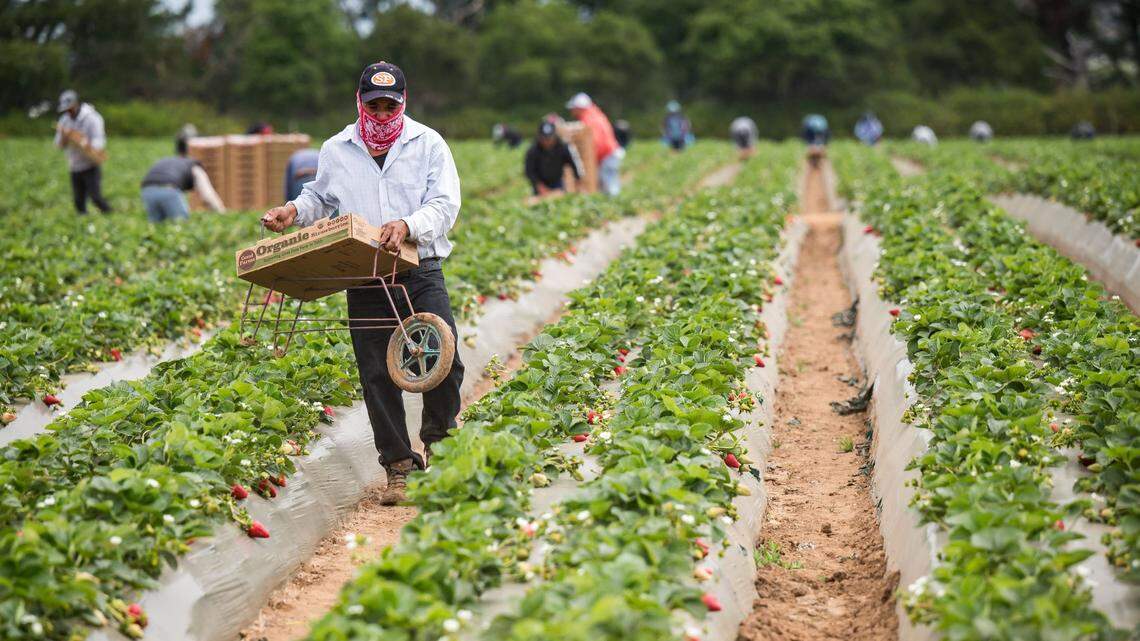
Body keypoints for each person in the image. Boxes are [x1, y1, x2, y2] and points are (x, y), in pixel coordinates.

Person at [261, 61, 465, 504]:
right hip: (365, 273)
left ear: (403, 103)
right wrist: (292, 212)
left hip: (419, 269)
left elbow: (445, 204)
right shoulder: (339, 148)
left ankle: (440, 446)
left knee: (444, 362)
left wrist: (407, 225)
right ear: (360, 102)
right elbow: (321, 196)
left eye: (389, 104)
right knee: (376, 374)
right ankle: (399, 466)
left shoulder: (428, 143)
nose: (381, 111)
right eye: (373, 103)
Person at [139, 135, 226, 222]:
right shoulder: (194, 166)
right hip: (168, 189)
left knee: (156, 226)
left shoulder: (165, 160)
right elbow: (208, 195)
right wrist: (221, 212)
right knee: (181, 223)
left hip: (147, 191)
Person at [54, 90, 112, 215]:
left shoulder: (92, 118)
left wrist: (82, 142)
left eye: (70, 109)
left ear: (76, 104)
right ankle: (83, 225)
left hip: (90, 165)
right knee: (78, 202)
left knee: (96, 198)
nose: (68, 112)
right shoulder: (64, 120)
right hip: (74, 165)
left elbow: (99, 141)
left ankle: (111, 215)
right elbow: (59, 144)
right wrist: (66, 137)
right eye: (66, 110)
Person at [566, 92, 623, 196]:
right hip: (609, 154)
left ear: (579, 108)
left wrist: (588, 162)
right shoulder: (595, 114)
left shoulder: (589, 120)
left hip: (607, 155)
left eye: (573, 108)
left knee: (610, 187)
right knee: (606, 186)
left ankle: (614, 208)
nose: (572, 111)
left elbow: (595, 143)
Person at [525, 121, 578, 199]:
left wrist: (577, 180)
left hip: (557, 182)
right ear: (539, 137)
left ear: (554, 136)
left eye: (549, 138)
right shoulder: (533, 151)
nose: (547, 142)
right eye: (544, 139)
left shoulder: (562, 147)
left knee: (560, 200)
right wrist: (539, 186)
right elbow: (529, 171)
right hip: (540, 183)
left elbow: (572, 163)